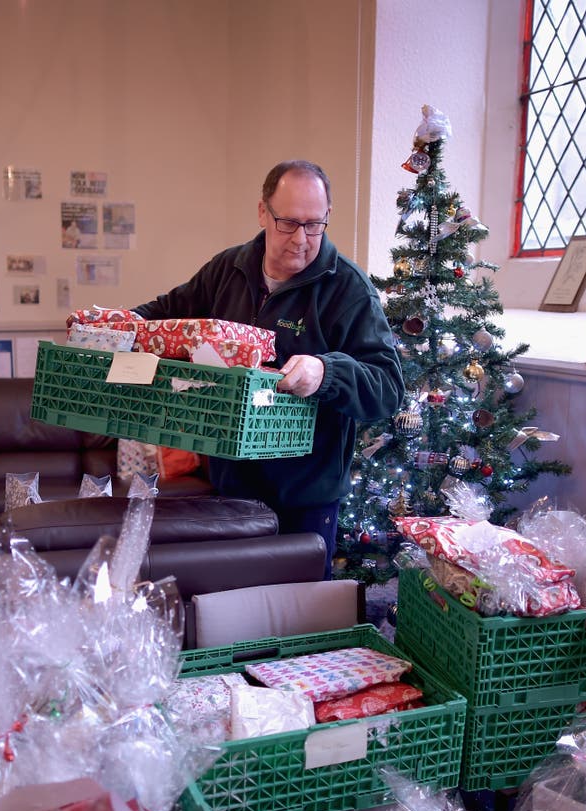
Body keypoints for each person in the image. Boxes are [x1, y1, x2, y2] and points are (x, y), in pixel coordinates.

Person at [131, 160, 405, 579]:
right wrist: (117, 323)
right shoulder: (229, 269)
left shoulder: (348, 288)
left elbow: (387, 387)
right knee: (232, 614)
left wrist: (325, 372)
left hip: (304, 498)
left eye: (315, 225)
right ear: (263, 212)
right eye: (288, 223)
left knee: (295, 619)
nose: (301, 239)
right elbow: (167, 313)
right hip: (229, 488)